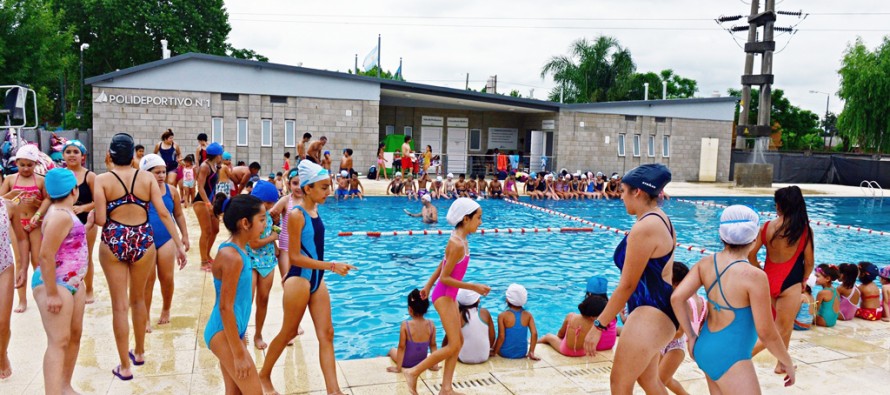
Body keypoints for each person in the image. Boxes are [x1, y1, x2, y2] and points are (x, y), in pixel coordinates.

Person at [671, 205, 795, 394]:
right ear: (754, 238)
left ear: (722, 235)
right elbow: (766, 332)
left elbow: (677, 297)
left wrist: (691, 336)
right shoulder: (754, 276)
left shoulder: (705, 263)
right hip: (731, 357)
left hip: (705, 347)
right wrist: (787, 361)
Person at [94, 133, 187, 380]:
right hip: (143, 240)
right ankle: (140, 351)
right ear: (133, 155)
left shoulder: (102, 180)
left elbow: (101, 220)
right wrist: (179, 244)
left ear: (110, 155)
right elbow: (165, 214)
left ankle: (124, 366)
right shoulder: (146, 179)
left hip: (114, 239)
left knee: (119, 306)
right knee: (138, 300)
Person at [259, 160, 356, 395]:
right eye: (323, 187)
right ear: (308, 188)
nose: (328, 191)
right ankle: (263, 375)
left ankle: (334, 390)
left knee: (327, 334)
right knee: (288, 332)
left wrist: (325, 269)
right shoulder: (296, 214)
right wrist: (332, 266)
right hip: (299, 280)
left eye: (328, 186)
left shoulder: (315, 209)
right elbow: (294, 257)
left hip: (316, 280)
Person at [583, 164, 678, 394]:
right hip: (659, 310)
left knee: (620, 384)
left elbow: (627, 285)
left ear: (637, 192)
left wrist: (599, 325)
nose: (620, 195)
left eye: (623, 190)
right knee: (649, 381)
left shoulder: (645, 227)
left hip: (651, 312)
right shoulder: (660, 218)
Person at [403, 198, 489, 395]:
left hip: (448, 294)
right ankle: (414, 372)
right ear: (466, 219)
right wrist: (472, 286)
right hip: (443, 295)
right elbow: (446, 277)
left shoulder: (460, 238)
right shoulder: (456, 243)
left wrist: (427, 284)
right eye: (478, 218)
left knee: (457, 341)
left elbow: (443, 265)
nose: (481, 222)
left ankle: (446, 388)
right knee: (455, 344)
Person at [30, 168, 89, 393]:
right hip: (55, 283)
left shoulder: (64, 212)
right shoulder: (59, 216)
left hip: (72, 282)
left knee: (74, 335)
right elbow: (45, 256)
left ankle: (64, 385)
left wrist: (89, 224)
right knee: (58, 341)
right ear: (74, 190)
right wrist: (52, 293)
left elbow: (70, 242)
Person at [748, 186, 814, 373]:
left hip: (769, 281)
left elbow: (751, 254)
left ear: (780, 205)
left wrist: (760, 272)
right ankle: (742, 358)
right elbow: (809, 261)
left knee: (783, 327)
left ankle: (782, 364)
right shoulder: (803, 231)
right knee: (779, 329)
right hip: (790, 283)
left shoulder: (767, 227)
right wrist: (804, 278)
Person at [205, 194, 265, 394]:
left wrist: (241, 334)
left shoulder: (239, 250)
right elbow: (225, 306)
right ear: (245, 223)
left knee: (235, 392)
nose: (265, 225)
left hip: (232, 330)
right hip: (222, 331)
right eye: (262, 220)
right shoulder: (232, 256)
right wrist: (239, 353)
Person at [140, 154, 189, 330]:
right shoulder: (139, 192)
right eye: (156, 172)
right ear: (146, 173)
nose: (161, 175)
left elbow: (178, 215)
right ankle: (145, 317)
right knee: (148, 279)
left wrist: (184, 236)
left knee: (166, 277)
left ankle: (166, 309)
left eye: (163, 172)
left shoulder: (172, 191)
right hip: (147, 238)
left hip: (166, 237)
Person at [0, 144, 50, 313]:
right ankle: (22, 299)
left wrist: (36, 205)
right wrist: (12, 198)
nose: (26, 168)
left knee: (37, 261)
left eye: (30, 165)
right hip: (17, 225)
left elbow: (48, 201)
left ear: (35, 164)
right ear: (17, 163)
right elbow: (1, 201)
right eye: (22, 165)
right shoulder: (10, 180)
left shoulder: (41, 180)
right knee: (21, 261)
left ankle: (40, 294)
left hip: (35, 224)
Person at [659, 262, 707, 395]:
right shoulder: (697, 299)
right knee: (665, 380)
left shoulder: (682, 301)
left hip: (675, 346)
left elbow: (680, 332)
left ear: (675, 283)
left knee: (658, 381)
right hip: (664, 344)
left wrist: (656, 340)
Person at [245, 181, 281, 349]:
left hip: (267, 261)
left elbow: (269, 231)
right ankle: (242, 330)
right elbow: (253, 243)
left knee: (263, 299)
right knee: (248, 300)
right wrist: (273, 239)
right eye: (268, 203)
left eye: (272, 203)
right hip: (251, 260)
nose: (271, 206)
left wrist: (274, 246)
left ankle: (258, 333)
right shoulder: (249, 217)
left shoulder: (267, 214)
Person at [61, 140, 98, 304]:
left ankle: (89, 289)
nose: (71, 155)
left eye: (76, 152)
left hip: (86, 220)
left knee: (86, 256)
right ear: (63, 155)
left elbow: (100, 200)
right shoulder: (59, 175)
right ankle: (68, 287)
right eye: (68, 152)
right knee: (65, 256)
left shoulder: (90, 176)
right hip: (64, 221)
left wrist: (84, 209)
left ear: (82, 156)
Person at [538, 293, 610, 357]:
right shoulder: (596, 325)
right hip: (583, 352)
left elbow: (560, 333)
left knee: (548, 336)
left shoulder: (571, 316)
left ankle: (535, 342)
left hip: (565, 350)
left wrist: (560, 338)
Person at [386, 289, 439, 373]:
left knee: (391, 350)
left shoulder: (405, 325)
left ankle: (381, 357)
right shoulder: (431, 324)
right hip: (422, 362)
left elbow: (401, 347)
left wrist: (398, 368)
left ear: (410, 309)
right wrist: (435, 365)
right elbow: (433, 346)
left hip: (406, 363)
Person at [0, 186, 22, 379]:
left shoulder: (8, 207)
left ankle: (2, 354)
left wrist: (22, 266)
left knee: (2, 322)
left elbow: (21, 238)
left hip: (3, 269)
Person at [194, 142, 224, 271]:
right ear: (217, 155)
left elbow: (214, 186)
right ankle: (203, 262)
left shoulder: (215, 166)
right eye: (220, 154)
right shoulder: (205, 166)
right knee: (206, 231)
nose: (221, 157)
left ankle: (207, 255)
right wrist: (207, 203)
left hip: (210, 201)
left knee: (215, 229)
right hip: (201, 202)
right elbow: (200, 187)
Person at [494, 284, 538, 360]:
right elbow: (534, 334)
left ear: (507, 299)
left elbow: (501, 337)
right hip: (522, 353)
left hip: (505, 353)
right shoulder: (528, 315)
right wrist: (531, 352)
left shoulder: (502, 316)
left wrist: (494, 352)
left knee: (494, 341)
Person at [455, 289, 495, 364]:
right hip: (484, 356)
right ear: (478, 300)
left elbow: (449, 340)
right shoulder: (485, 313)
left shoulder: (458, 316)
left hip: (464, 358)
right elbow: (492, 336)